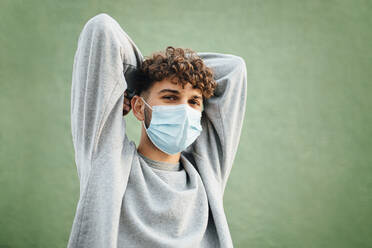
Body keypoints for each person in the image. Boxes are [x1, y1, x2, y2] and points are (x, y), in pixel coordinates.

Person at [68, 13, 247, 248]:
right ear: (139, 108)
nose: (184, 110)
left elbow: (234, 71)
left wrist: (174, 68)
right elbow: (102, 29)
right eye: (170, 97)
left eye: (194, 101)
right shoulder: (108, 161)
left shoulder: (207, 172)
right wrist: (141, 78)